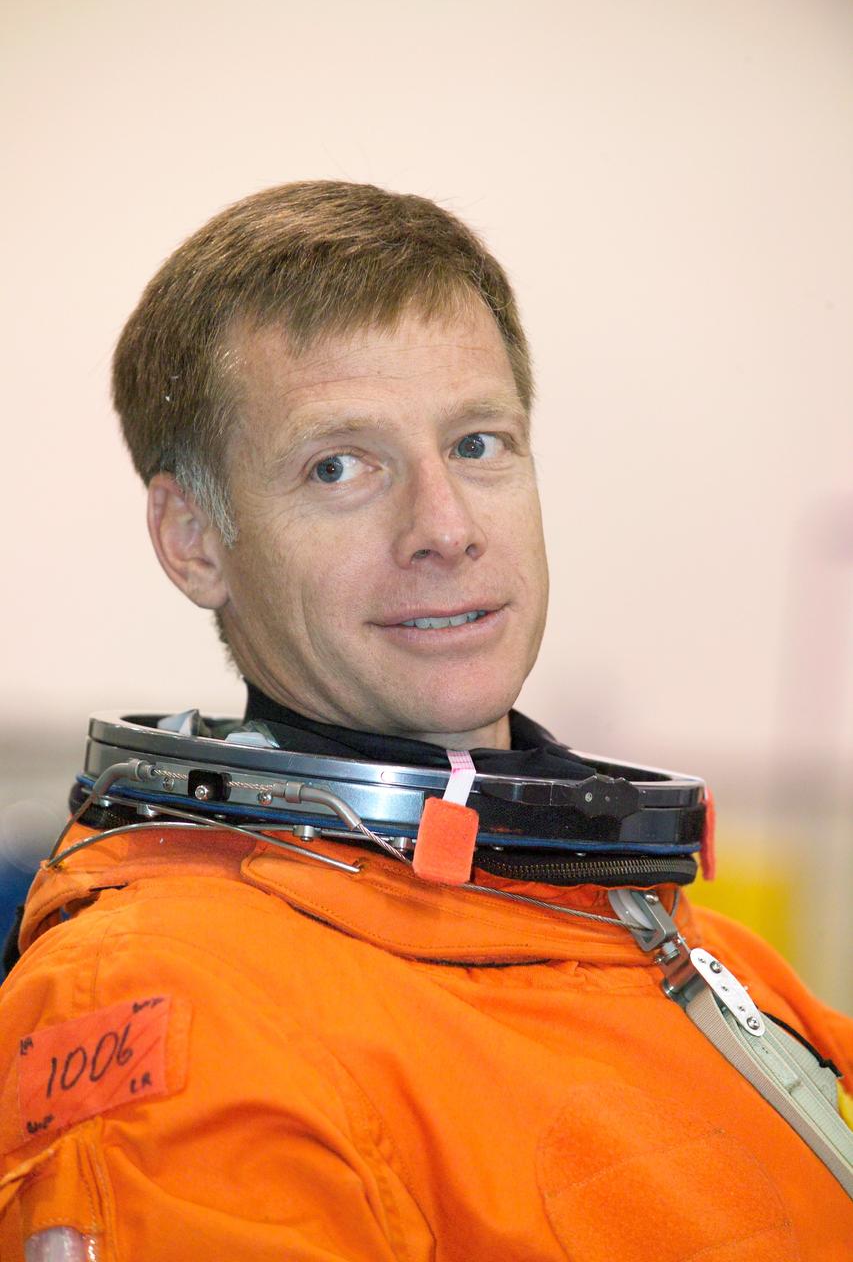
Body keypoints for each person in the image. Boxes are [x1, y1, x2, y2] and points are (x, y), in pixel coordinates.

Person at [0, 181, 850, 1259]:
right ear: (192, 539)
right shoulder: (161, 998)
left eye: (478, 444)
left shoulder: (684, 948)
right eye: (339, 466)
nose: (443, 527)